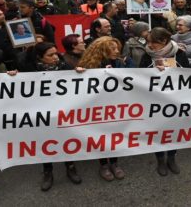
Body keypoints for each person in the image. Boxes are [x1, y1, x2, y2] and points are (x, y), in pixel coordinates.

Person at [15, 42, 82, 191]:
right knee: (46, 142)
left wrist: (80, 72)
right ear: (39, 57)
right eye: (50, 55)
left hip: (62, 113)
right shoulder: (29, 70)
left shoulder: (65, 67)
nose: (55, 58)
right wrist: (10, 76)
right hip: (42, 114)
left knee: (65, 140)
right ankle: (48, 172)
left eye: (56, 54)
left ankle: (70, 167)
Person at [138, 28, 190, 176]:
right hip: (154, 101)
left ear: (164, 41)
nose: (150, 45)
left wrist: (169, 70)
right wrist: (153, 70)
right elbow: (140, 75)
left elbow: (187, 74)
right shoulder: (147, 55)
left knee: (174, 131)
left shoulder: (179, 53)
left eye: (153, 42)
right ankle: (160, 159)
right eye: (148, 42)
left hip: (175, 100)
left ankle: (172, 157)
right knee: (157, 131)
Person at [77, 37, 129, 181]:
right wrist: (79, 73)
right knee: (100, 136)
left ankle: (114, 163)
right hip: (97, 108)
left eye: (117, 48)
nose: (117, 51)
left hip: (115, 106)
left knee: (113, 136)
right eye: (113, 48)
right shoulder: (88, 66)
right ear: (102, 50)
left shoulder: (118, 62)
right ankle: (103, 165)